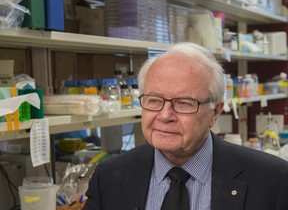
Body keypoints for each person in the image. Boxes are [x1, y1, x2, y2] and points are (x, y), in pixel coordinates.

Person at [83, 42, 288, 210]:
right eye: (154, 100)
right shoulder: (108, 178)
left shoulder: (273, 180)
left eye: (183, 103)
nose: (164, 116)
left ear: (215, 112)